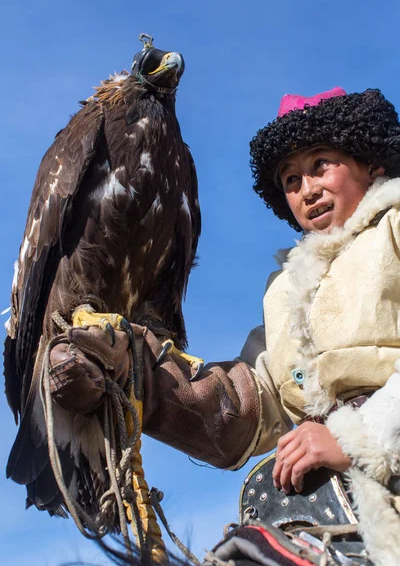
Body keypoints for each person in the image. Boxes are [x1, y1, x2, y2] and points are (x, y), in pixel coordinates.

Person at [50, 87, 400, 565]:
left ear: (372, 164)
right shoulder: (287, 291)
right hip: (326, 509)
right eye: (292, 179)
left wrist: (356, 437)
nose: (308, 189)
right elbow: (250, 407)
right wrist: (140, 376)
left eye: (322, 165)